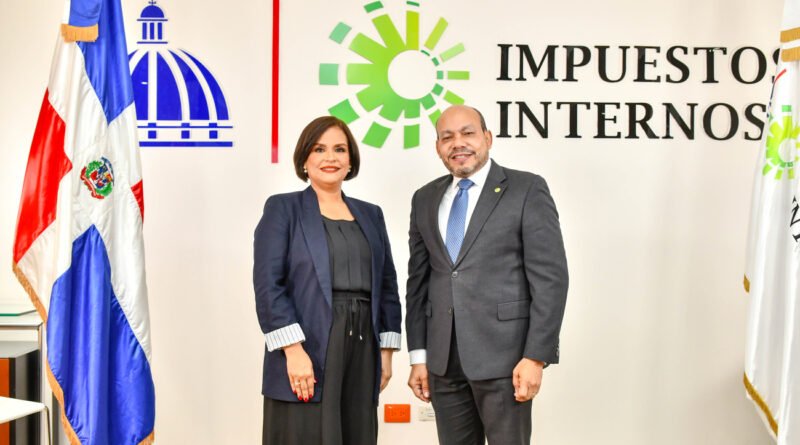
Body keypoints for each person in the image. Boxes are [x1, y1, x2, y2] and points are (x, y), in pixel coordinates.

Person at [405, 105, 568, 444]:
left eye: (468, 133)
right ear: (438, 147)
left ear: (488, 138)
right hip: (443, 363)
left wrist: (535, 356)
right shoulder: (424, 198)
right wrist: (419, 356)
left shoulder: (526, 189)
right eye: (447, 137)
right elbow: (418, 284)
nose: (458, 143)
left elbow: (550, 279)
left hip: (507, 361)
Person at [254, 116, 402, 445]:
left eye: (339, 149)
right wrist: (293, 350)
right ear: (304, 159)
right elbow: (268, 285)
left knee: (357, 433)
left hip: (363, 345)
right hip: (309, 342)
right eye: (319, 149)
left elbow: (387, 286)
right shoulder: (283, 208)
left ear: (351, 160)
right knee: (306, 433)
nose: (330, 158)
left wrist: (386, 353)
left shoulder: (371, 214)